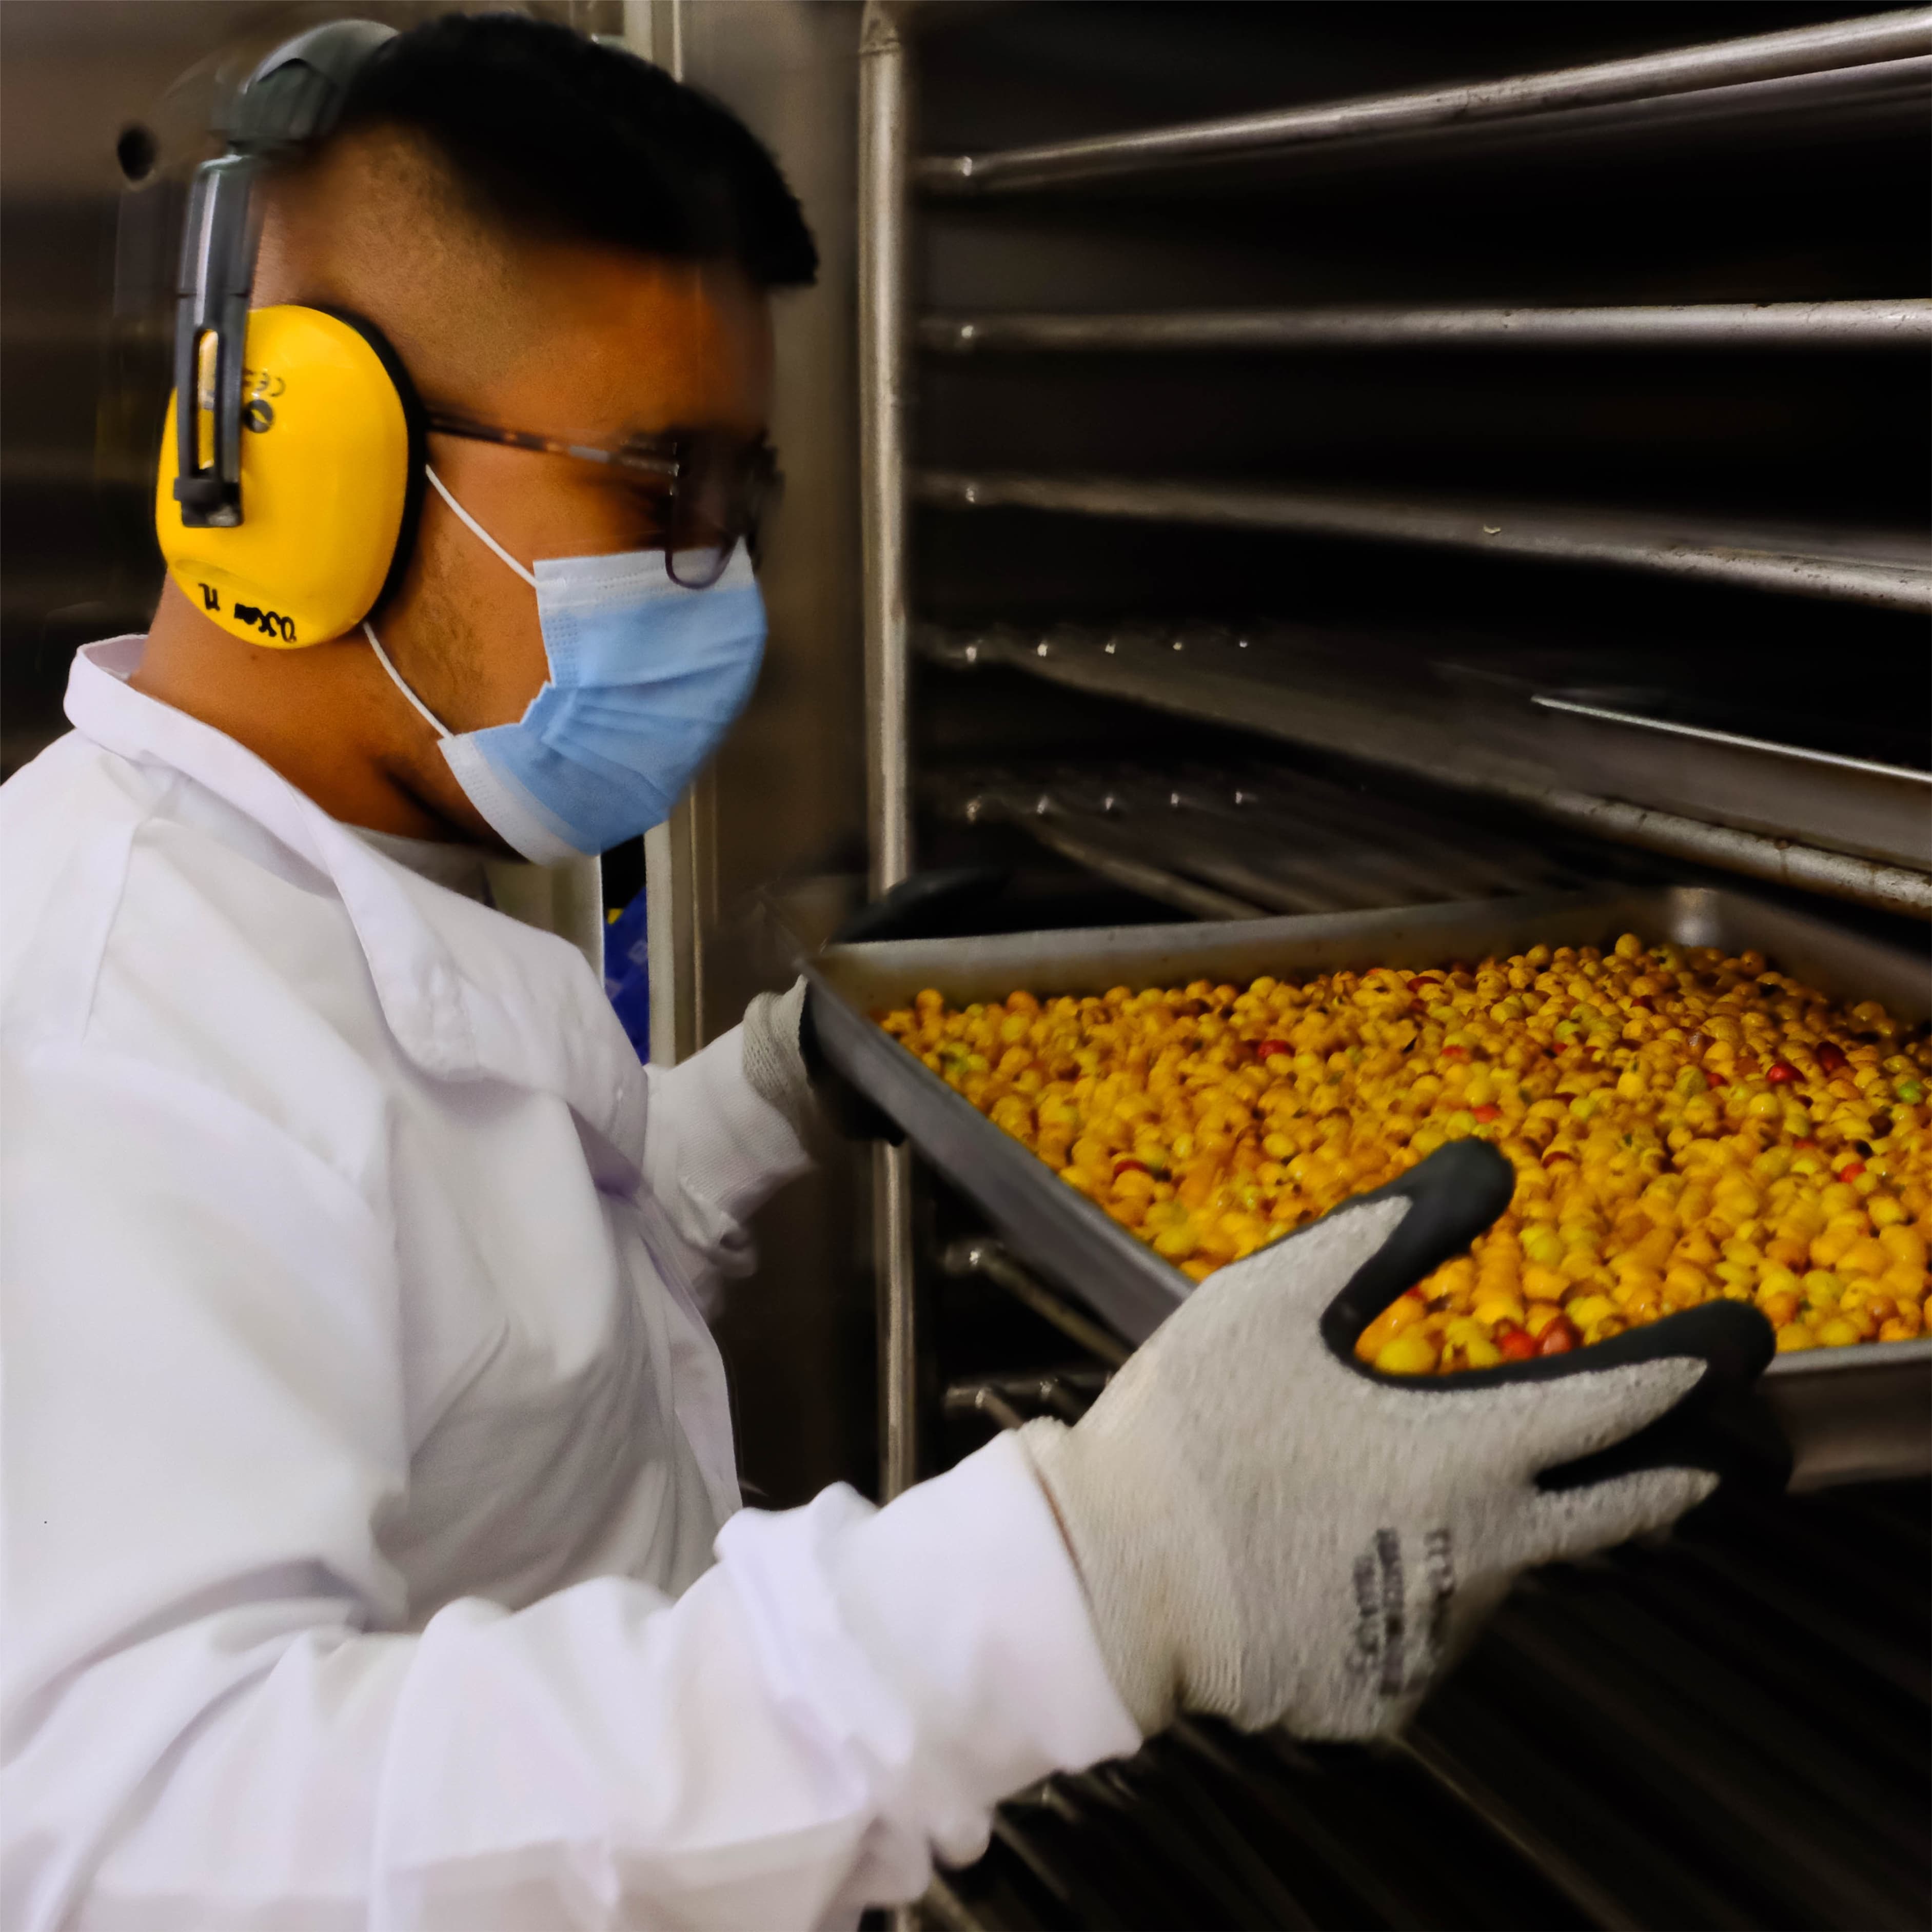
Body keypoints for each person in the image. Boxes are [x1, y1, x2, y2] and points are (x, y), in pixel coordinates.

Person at [0, 17, 1770, 1929]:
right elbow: (139, 1850)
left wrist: (765, 1098)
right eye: (657, 488)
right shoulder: (108, 1036)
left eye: (737, 506)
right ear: (304, 470)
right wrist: (1093, 1574)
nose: (721, 594)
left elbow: (474, 1352)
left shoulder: (329, 887)